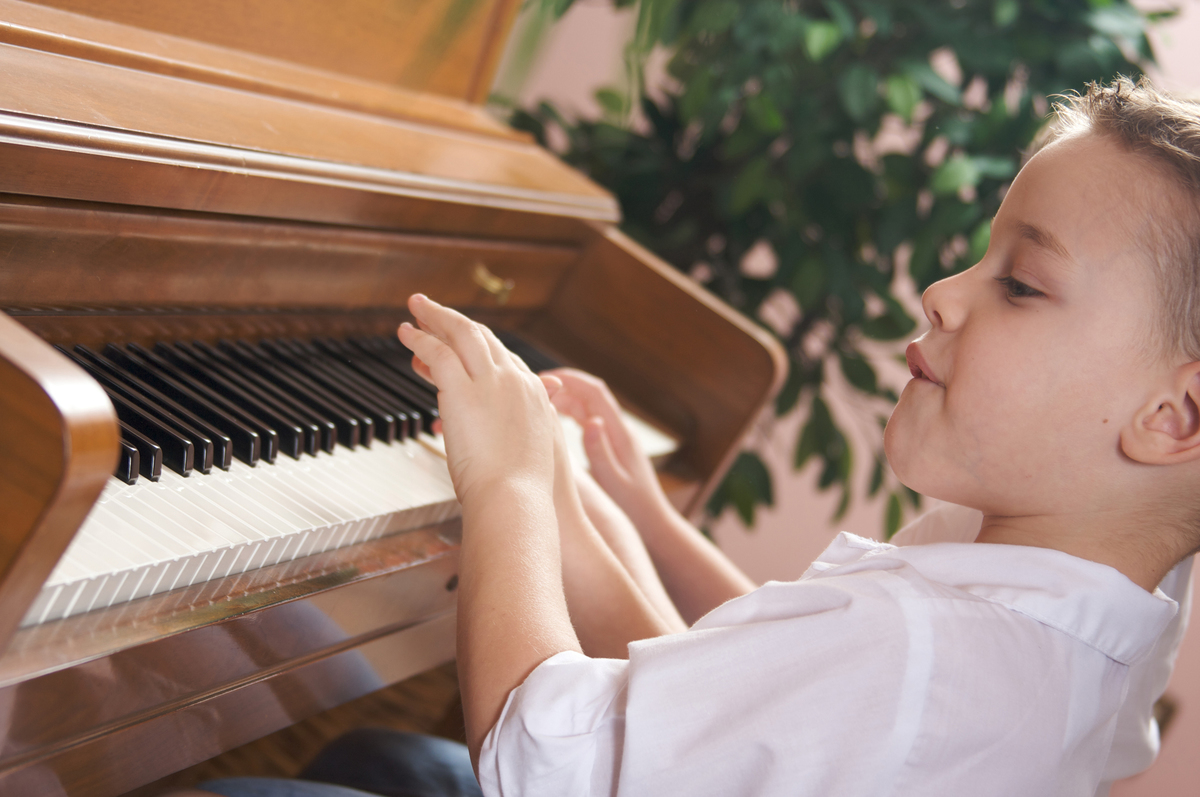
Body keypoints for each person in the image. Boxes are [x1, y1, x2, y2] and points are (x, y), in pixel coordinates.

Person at [188, 76, 1200, 797]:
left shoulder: (931, 653)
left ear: (1176, 416)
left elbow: (536, 757)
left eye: (1019, 284)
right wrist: (601, 501)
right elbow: (758, 693)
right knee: (380, 758)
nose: (939, 293)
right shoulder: (1102, 610)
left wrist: (511, 487)